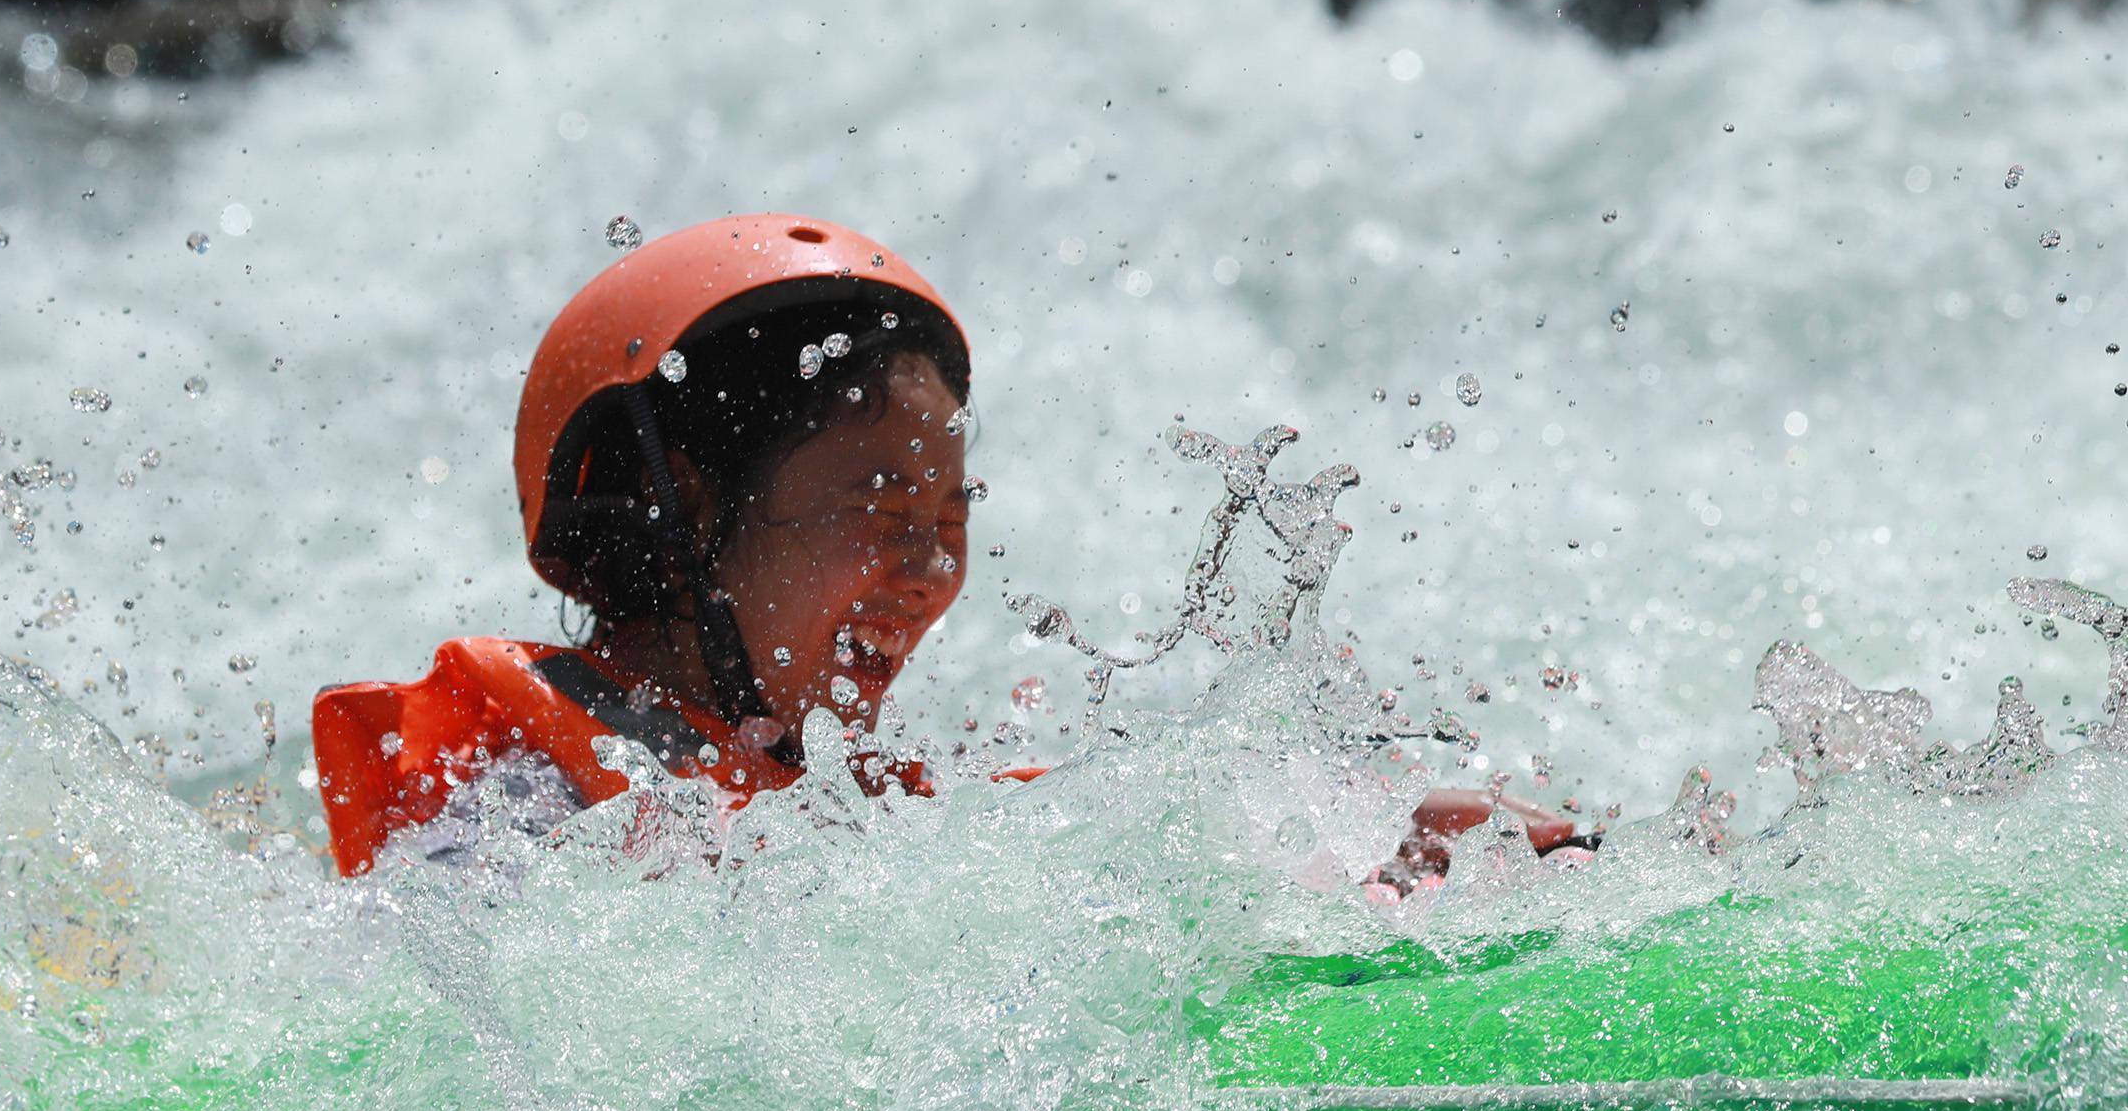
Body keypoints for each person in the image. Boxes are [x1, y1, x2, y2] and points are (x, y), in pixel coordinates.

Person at [311, 212, 1579, 881]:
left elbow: (1134, 852)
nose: (929, 575)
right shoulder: (507, 782)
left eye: (953, 525)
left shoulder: (879, 818)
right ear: (687, 508)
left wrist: (1382, 838)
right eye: (883, 513)